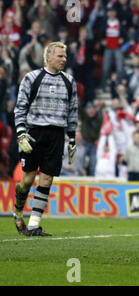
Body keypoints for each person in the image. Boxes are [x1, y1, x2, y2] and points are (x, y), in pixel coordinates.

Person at [13, 41, 78, 236]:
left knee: (47, 179)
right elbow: (20, 107)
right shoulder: (32, 78)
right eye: (60, 56)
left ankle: (34, 225)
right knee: (28, 179)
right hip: (34, 132)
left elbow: (73, 111)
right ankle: (17, 211)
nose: (63, 59)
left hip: (56, 134)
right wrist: (20, 132)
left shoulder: (69, 81)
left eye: (65, 56)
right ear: (48, 57)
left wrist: (72, 139)